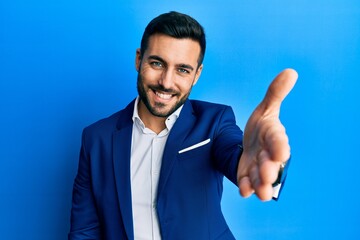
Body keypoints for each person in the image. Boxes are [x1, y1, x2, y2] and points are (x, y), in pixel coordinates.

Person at [68, 11, 298, 240]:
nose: (166, 82)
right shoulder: (96, 139)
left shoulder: (214, 121)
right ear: (139, 59)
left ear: (197, 74)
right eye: (157, 63)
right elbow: (84, 231)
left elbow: (235, 154)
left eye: (182, 70)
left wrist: (260, 161)